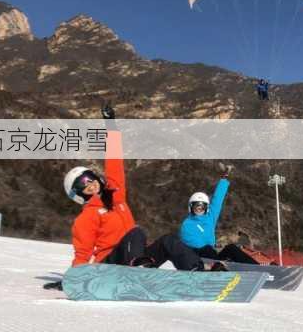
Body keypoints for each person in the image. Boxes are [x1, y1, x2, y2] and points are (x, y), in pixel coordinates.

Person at [44, 105, 204, 290]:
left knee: (168, 240)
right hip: (109, 264)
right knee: (136, 233)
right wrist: (73, 280)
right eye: (83, 186)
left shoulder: (116, 195)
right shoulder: (87, 217)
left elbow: (114, 162)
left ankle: (197, 273)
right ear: (79, 195)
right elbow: (83, 252)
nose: (90, 184)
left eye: (90, 179)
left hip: (135, 259)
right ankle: (138, 273)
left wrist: (111, 127)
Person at [179, 165, 258, 265]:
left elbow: (217, 200)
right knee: (206, 249)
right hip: (197, 259)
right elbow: (192, 243)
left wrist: (223, 180)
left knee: (231, 248)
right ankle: (219, 267)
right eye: (196, 206)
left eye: (202, 206)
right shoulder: (187, 224)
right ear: (191, 207)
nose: (199, 208)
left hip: (213, 258)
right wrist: (211, 248)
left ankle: (259, 268)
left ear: (206, 207)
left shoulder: (209, 217)